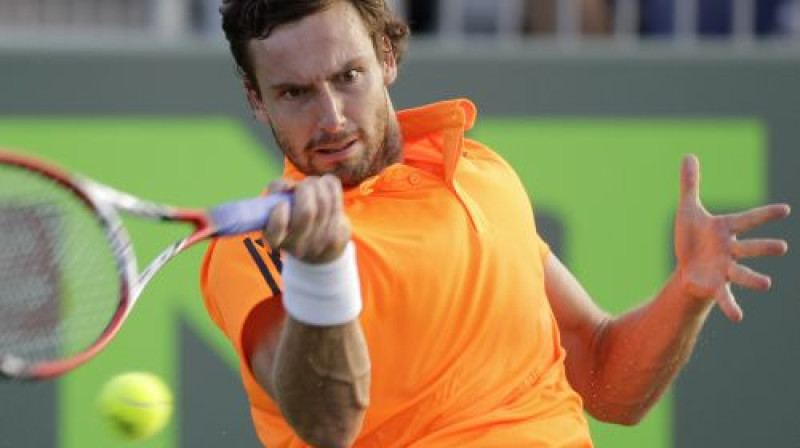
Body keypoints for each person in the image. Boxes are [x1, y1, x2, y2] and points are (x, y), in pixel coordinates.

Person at [200, 1, 791, 447]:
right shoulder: (260, 247)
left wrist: (686, 290)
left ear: (387, 57)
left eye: (347, 77)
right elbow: (327, 422)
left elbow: (607, 377)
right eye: (294, 92)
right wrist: (320, 268)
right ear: (257, 99)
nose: (329, 117)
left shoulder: (484, 173)